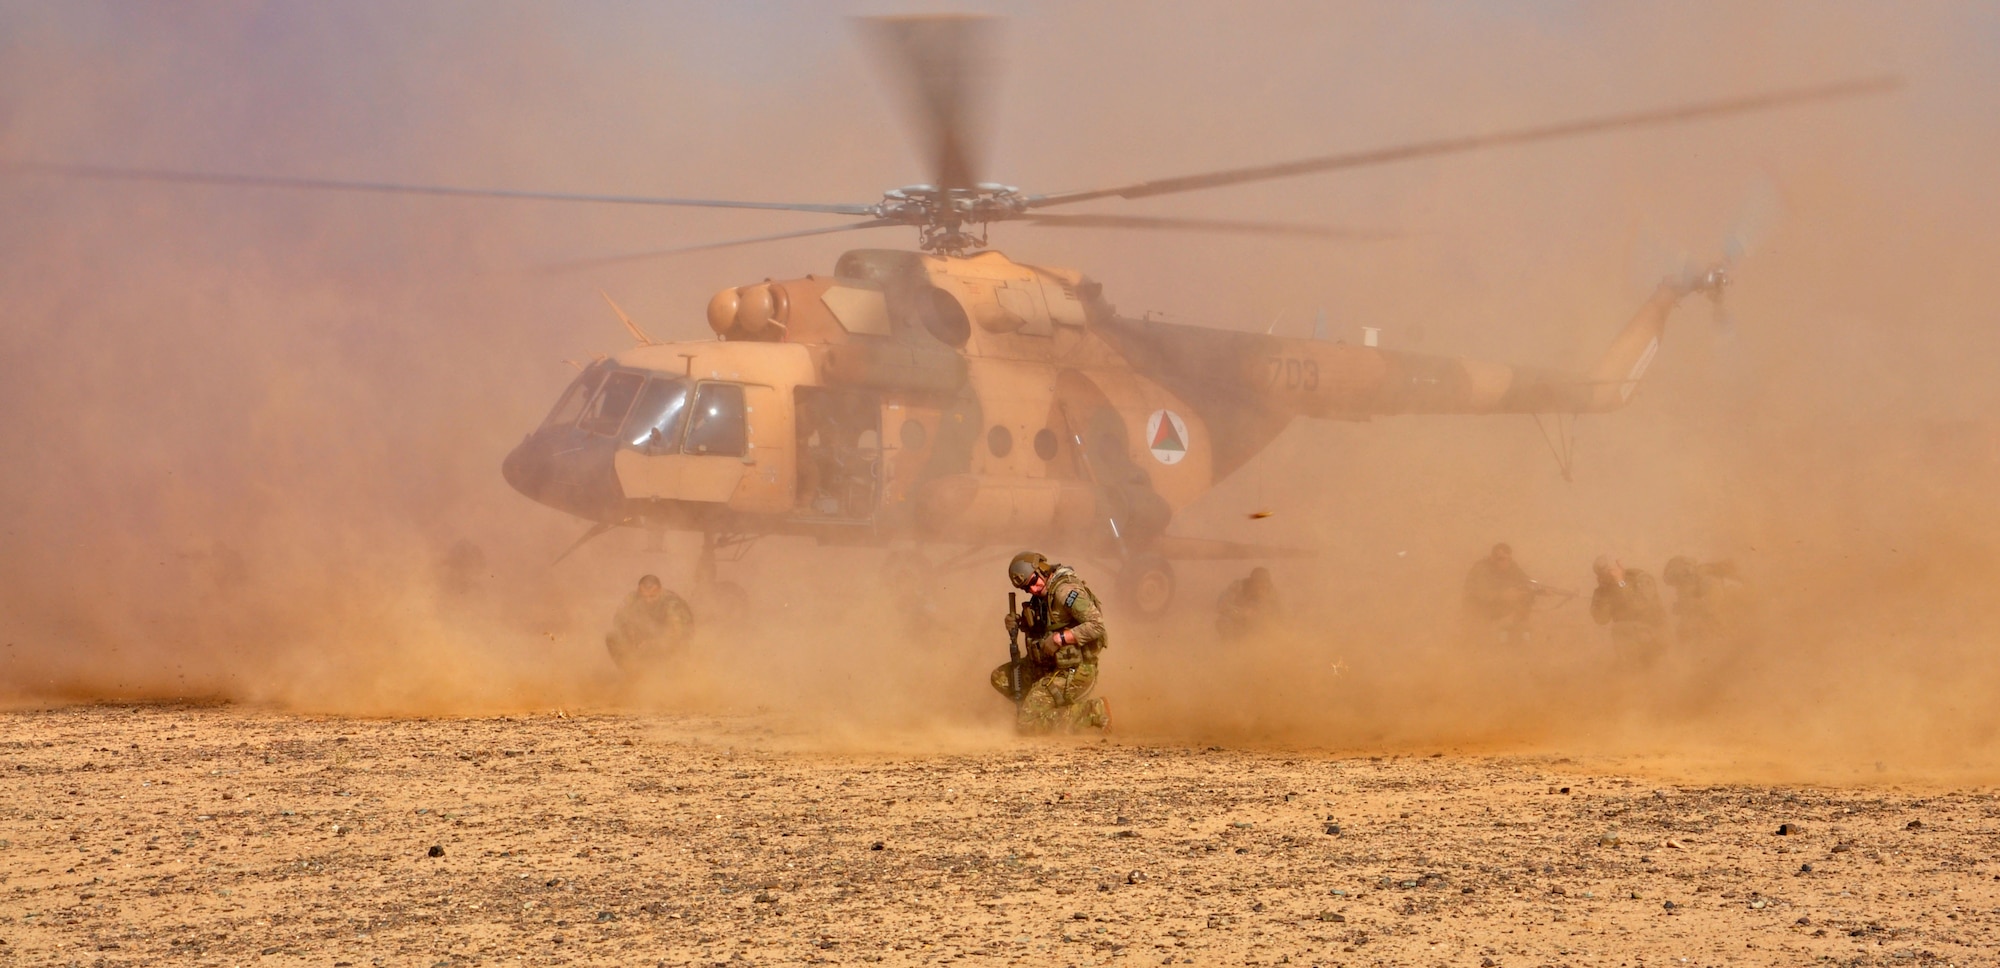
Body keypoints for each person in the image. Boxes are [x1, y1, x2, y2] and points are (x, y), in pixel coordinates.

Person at [990, 551, 1111, 734]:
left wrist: (1061, 638)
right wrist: (1019, 624)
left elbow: (1097, 625)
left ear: (1042, 570)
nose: (1032, 589)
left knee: (1025, 726)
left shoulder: (1065, 592)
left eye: (1032, 582)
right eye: (1026, 588)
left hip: (1075, 670)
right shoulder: (1042, 597)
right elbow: (1045, 627)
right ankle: (1039, 711)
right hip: (1048, 666)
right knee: (1000, 678)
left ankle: (1093, 711)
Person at [605, 574, 694, 674]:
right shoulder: (632, 598)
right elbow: (619, 620)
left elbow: (676, 634)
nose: (648, 600)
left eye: (652, 596)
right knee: (613, 637)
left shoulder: (672, 603)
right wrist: (630, 632)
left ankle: (670, 676)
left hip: (670, 645)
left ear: (660, 591)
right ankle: (633, 674)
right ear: (639, 592)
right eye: (644, 597)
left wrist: (652, 644)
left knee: (677, 654)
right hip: (645, 642)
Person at [1589, 555, 1669, 660]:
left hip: (1654, 634)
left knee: (1621, 628)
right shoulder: (1604, 589)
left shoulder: (1638, 577)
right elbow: (1601, 619)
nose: (1608, 575)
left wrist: (1621, 582)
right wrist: (1603, 595)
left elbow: (1638, 604)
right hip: (1627, 643)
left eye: (1610, 570)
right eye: (1603, 574)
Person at [1662, 556, 1749, 647]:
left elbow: (1712, 605)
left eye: (1679, 578)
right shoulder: (1685, 588)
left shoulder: (1708, 580)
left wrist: (1687, 606)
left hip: (1718, 628)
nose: (1678, 585)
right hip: (1701, 634)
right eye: (1676, 582)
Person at [1462, 543, 1538, 644]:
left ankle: (1520, 640)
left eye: (1508, 559)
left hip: (1496, 604)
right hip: (1478, 609)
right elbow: (1482, 594)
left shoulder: (1511, 566)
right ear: (1492, 558)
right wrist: (1503, 595)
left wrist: (1539, 590)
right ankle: (1499, 642)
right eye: (1501, 559)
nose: (1505, 563)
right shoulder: (1482, 569)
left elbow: (1525, 580)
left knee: (1525, 599)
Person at [1215, 566, 1283, 641]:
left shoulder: (1272, 593)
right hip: (1237, 621)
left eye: (1265, 582)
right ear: (1252, 582)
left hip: (1259, 625)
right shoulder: (1238, 587)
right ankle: (1229, 646)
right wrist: (1241, 612)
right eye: (1258, 582)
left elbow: (1280, 613)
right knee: (1223, 621)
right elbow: (1221, 605)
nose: (1262, 586)